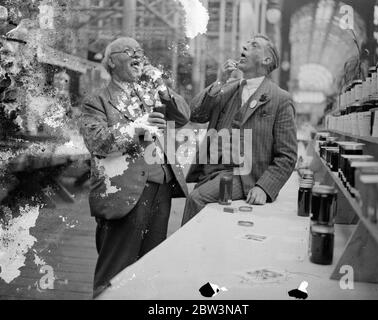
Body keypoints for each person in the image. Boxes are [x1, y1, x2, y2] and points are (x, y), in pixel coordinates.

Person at [79, 37, 190, 297]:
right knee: (115, 273)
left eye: (140, 51)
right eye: (129, 51)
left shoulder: (150, 93)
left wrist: (160, 84)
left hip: (161, 190)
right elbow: (97, 142)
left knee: (150, 268)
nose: (137, 55)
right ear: (112, 62)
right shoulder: (97, 100)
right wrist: (136, 129)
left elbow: (184, 116)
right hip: (125, 193)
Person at [182, 34, 297, 225]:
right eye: (246, 43)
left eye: (253, 45)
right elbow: (195, 114)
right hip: (211, 172)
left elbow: (287, 155)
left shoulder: (280, 99)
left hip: (245, 177)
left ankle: (185, 251)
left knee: (196, 199)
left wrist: (264, 187)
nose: (244, 46)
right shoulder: (227, 88)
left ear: (266, 60)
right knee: (206, 209)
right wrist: (220, 80)